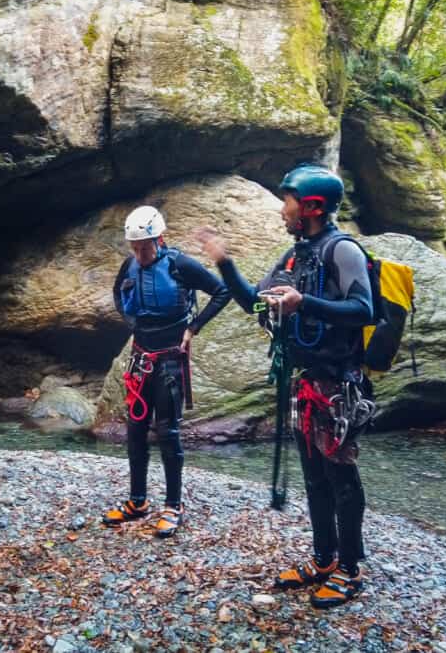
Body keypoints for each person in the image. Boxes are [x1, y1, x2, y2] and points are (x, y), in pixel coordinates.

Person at [201, 164, 375, 608]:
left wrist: (305, 302)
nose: (283, 210)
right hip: (306, 384)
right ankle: (323, 559)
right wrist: (224, 262)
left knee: (341, 477)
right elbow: (251, 302)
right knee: (315, 478)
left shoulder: (343, 251)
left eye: (288, 202)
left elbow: (362, 308)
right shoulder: (294, 257)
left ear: (312, 207)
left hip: (339, 386)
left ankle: (350, 570)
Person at [102, 206, 231, 538]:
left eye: (145, 247)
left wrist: (194, 328)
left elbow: (222, 291)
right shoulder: (130, 264)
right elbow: (119, 294)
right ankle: (137, 501)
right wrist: (133, 324)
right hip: (141, 356)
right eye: (135, 247)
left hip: (171, 358)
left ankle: (174, 506)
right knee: (135, 429)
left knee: (168, 431)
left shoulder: (180, 264)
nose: (140, 254)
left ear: (159, 239)